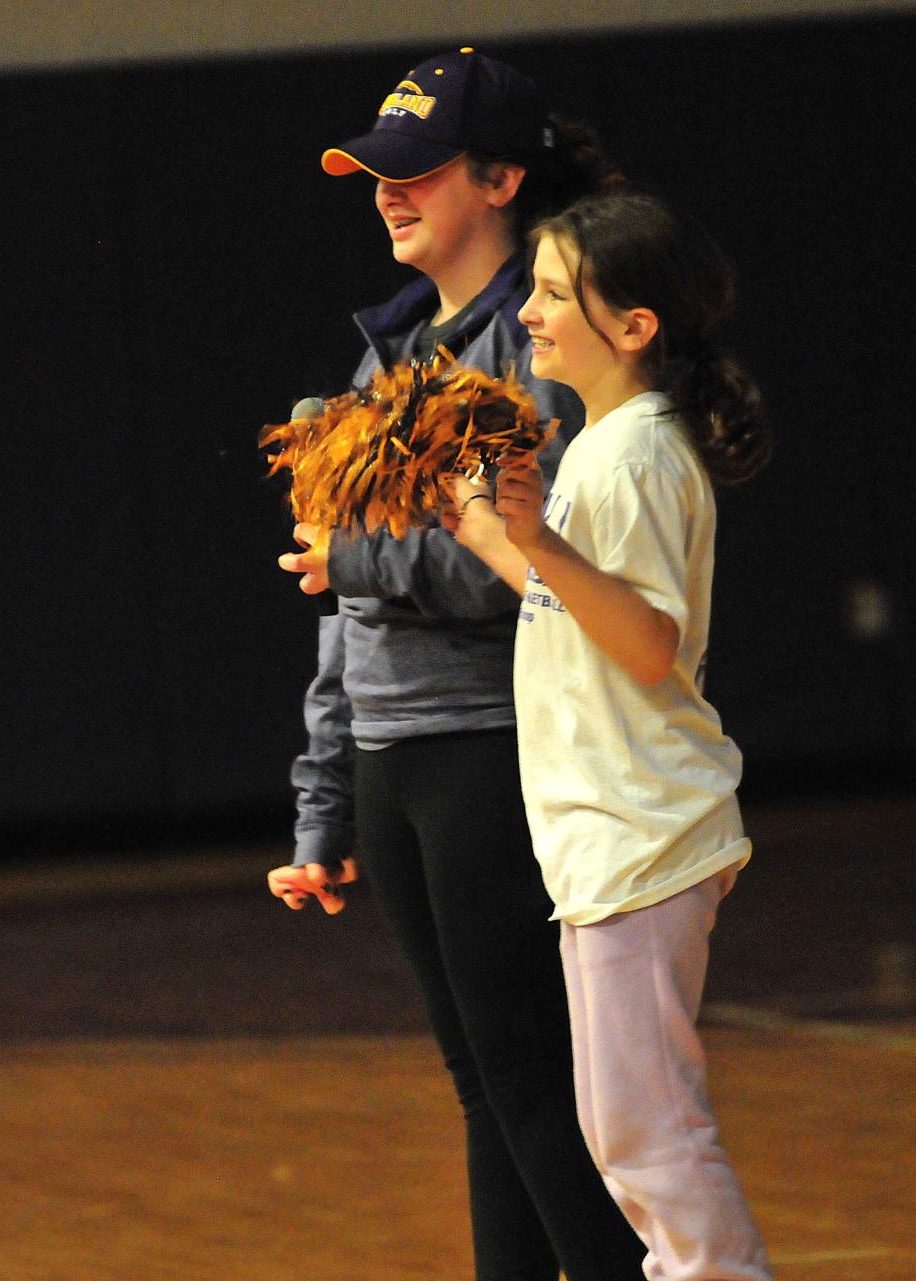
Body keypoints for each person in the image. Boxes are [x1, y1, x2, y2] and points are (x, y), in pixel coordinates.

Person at [268, 47, 645, 1281]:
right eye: (376, 173)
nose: (386, 192)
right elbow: (343, 606)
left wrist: (357, 555)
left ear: (500, 178)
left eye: (415, 171)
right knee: (488, 1089)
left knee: (533, 1082)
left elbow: (524, 572)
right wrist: (323, 801)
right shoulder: (389, 357)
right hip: (393, 757)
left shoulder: (536, 352)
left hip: (492, 747)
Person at [450, 190, 773, 1281]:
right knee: (627, 1129)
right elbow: (578, 612)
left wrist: (538, 535)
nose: (529, 315)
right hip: (615, 836)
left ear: (635, 326)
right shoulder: (610, 445)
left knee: (648, 1134)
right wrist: (490, 532)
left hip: (640, 832)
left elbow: (644, 645)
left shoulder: (631, 456)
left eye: (551, 295)